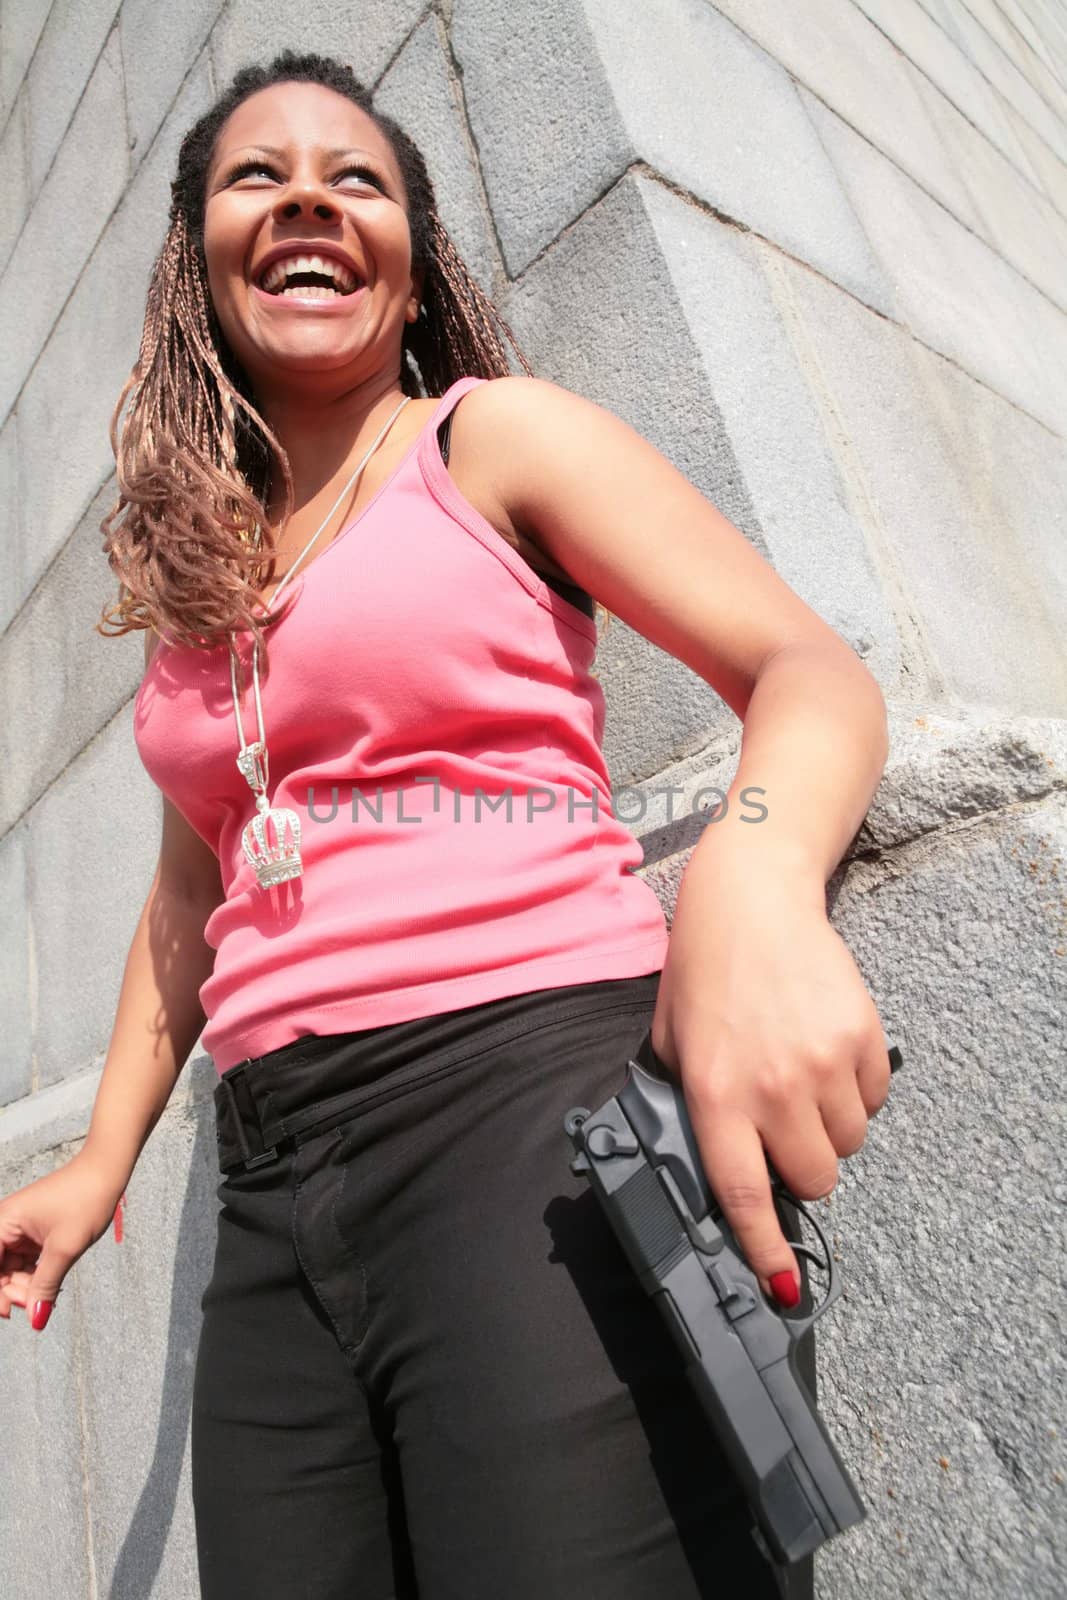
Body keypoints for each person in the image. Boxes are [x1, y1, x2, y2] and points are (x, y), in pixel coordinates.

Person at [0, 49, 893, 1600]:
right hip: (275, 1199)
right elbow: (186, 899)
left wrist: (752, 878)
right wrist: (102, 1162)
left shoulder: (496, 441)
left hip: (527, 1120)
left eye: (358, 178)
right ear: (198, 273)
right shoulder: (195, 594)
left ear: (411, 269)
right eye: (254, 174)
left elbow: (805, 671)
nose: (306, 199)